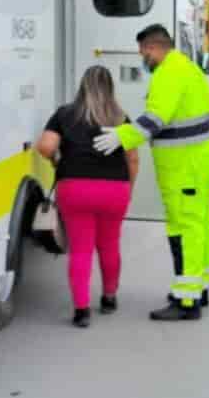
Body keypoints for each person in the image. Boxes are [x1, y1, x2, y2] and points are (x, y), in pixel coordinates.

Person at [93, 24, 209, 322]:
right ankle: (197, 288)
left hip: (184, 164)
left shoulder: (168, 72)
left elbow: (155, 119)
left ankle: (186, 301)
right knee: (200, 222)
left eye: (142, 52)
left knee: (184, 227)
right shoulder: (186, 67)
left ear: (152, 48)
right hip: (198, 159)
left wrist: (121, 137)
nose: (142, 58)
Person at [36, 66, 139, 328]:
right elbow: (133, 158)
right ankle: (108, 297)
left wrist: (55, 159)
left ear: (82, 86)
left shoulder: (65, 114)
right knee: (109, 245)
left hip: (75, 189)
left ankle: (81, 311)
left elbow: (45, 146)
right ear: (110, 88)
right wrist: (129, 188)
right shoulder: (120, 117)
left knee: (80, 250)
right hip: (114, 190)